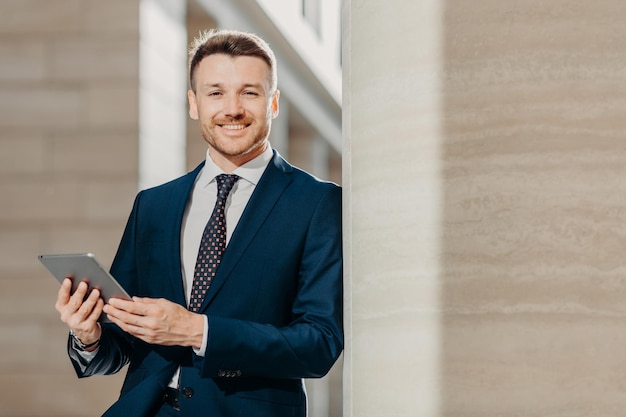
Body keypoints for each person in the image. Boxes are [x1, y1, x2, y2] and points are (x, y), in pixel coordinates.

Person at [54, 29, 343, 417]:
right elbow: (121, 345)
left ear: (273, 103)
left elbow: (319, 344)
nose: (232, 108)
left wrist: (197, 330)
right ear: (194, 104)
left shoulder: (316, 203)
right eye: (216, 92)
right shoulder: (154, 205)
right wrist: (88, 336)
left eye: (250, 92)